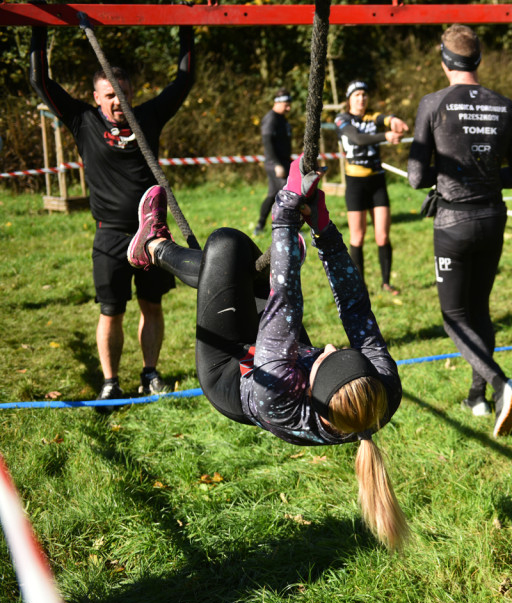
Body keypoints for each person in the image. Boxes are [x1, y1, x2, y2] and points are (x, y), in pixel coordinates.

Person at [125, 159, 409, 550]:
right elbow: (355, 307)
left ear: (309, 388)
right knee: (241, 258)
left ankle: (153, 247)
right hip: (285, 360)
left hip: (232, 376)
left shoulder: (280, 393)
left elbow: (286, 304)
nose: (327, 346)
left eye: (325, 357)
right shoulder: (384, 390)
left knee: (225, 245)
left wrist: (286, 212)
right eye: (335, 349)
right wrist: (325, 232)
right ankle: (261, 261)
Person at [29, 25, 195, 405]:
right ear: (96, 98)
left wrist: (186, 25)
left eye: (123, 95)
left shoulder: (147, 118)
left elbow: (183, 82)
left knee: (151, 306)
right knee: (111, 311)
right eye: (109, 96)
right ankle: (111, 381)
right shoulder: (83, 121)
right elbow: (40, 81)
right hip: (111, 236)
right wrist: (39, 27)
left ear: (132, 95)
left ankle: (150, 374)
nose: (117, 103)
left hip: (153, 235)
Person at [408, 24, 512, 437]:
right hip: (494, 217)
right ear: (478, 60)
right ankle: (477, 397)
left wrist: (439, 174)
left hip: (453, 222)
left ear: (444, 60)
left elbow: (414, 176)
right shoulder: (505, 105)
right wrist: (486, 179)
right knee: (480, 309)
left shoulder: (433, 103)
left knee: (454, 317)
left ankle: (500, 384)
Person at [334, 79, 408, 295]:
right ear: (349, 100)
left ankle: (386, 283)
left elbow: (384, 118)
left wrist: (394, 120)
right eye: (356, 95)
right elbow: (356, 138)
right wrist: (385, 135)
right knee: (357, 237)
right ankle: (360, 285)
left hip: (377, 182)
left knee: (382, 236)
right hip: (355, 183)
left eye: (364, 95)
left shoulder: (372, 118)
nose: (361, 98)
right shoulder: (341, 119)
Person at [255, 88, 293, 235]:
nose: (289, 108)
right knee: (287, 194)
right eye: (286, 105)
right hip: (275, 164)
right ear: (277, 103)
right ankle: (286, 227)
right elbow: (267, 142)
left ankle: (260, 224)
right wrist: (277, 164)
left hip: (284, 162)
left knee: (272, 195)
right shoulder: (271, 118)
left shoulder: (282, 118)